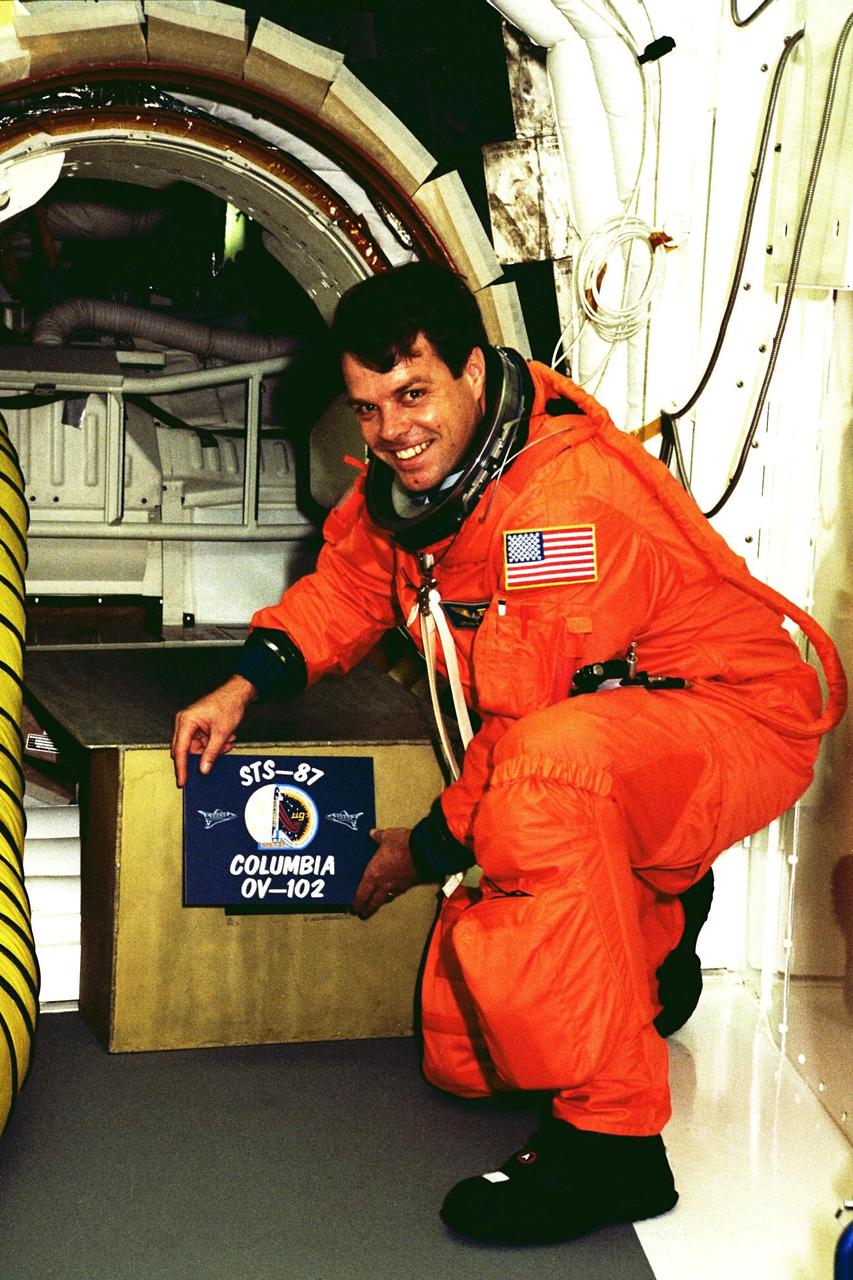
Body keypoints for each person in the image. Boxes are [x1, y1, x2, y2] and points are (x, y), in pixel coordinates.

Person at [171, 262, 846, 1245]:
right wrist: (244, 684)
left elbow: (520, 735)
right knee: (465, 1053)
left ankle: (612, 1145)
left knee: (541, 784)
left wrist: (412, 854)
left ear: (475, 374)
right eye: (367, 407)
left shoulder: (558, 514)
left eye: (412, 394)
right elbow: (353, 584)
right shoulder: (419, 485)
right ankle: (657, 948)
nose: (392, 430)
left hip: (737, 719)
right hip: (624, 727)